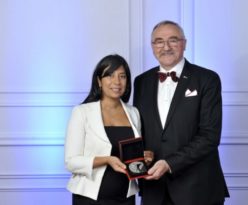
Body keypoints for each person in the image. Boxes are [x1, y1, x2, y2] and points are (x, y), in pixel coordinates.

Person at [133, 20, 229, 205]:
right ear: (152, 46)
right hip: (154, 189)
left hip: (197, 189)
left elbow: (210, 136)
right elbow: (139, 130)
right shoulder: (141, 82)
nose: (166, 47)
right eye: (159, 41)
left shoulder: (207, 79)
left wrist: (169, 163)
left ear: (184, 44)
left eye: (173, 40)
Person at [65, 54, 152, 205]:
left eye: (122, 76)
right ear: (99, 81)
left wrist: (145, 158)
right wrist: (107, 160)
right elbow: (71, 162)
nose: (116, 82)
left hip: (126, 197)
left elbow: (132, 155)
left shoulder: (134, 113)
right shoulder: (81, 112)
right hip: (90, 198)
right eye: (110, 76)